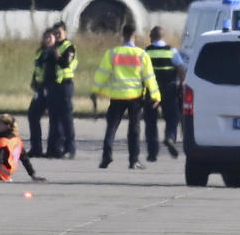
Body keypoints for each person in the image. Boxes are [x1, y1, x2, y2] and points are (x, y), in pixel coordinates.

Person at [91, 24, 161, 169]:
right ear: (134, 36)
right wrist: (155, 95)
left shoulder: (112, 53)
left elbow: (102, 74)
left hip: (117, 96)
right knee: (134, 129)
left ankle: (106, 156)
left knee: (111, 126)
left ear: (122, 35)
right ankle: (133, 160)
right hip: (135, 97)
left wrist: (95, 91)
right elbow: (149, 77)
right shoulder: (142, 55)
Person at [142, 26, 185, 161]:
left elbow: (141, 71)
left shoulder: (146, 52)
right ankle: (170, 137)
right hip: (169, 90)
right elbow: (181, 69)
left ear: (151, 37)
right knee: (172, 117)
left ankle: (152, 153)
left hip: (151, 91)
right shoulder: (172, 51)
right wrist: (182, 84)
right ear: (163, 36)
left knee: (150, 121)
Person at [46, 21, 77, 158]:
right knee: (53, 118)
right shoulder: (51, 48)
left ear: (65, 33)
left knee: (66, 119)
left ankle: (70, 148)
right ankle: (54, 148)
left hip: (65, 86)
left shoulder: (68, 47)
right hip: (53, 86)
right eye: (55, 33)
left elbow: (65, 63)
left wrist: (55, 53)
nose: (57, 35)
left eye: (59, 33)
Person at [26, 28, 57, 157]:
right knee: (33, 115)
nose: (48, 39)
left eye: (50, 37)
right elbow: (38, 68)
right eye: (46, 37)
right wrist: (34, 80)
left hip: (53, 89)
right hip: (40, 88)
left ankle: (52, 149)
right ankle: (36, 147)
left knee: (54, 119)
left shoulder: (56, 52)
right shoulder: (40, 52)